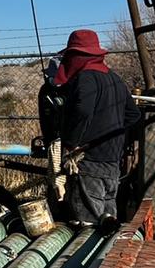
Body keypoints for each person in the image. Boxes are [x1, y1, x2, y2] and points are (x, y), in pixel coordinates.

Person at [51, 29, 141, 224]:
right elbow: (134, 115)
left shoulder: (85, 78)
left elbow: (83, 110)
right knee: (108, 221)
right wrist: (112, 133)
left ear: (77, 57)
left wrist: (71, 142)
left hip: (89, 161)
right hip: (112, 162)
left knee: (88, 224)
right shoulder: (115, 78)